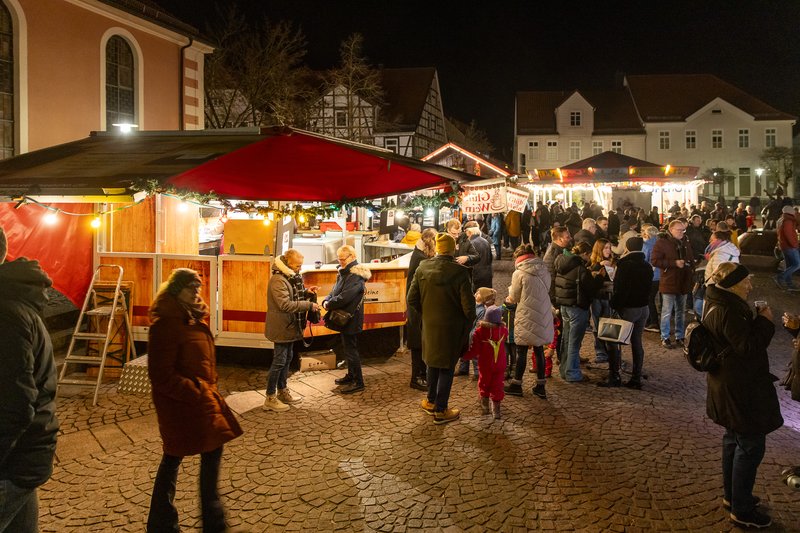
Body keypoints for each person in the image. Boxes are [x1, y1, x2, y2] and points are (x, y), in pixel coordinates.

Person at [147, 268, 243, 532]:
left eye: (198, 288)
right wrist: (197, 391)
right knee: (175, 458)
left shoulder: (191, 317)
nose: (197, 292)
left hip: (200, 403)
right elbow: (161, 375)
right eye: (192, 288)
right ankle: (197, 523)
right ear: (177, 290)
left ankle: (171, 522)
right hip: (183, 405)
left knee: (202, 454)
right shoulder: (166, 324)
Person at [703, 263, 783, 529]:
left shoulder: (714, 302)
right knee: (750, 445)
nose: (750, 285)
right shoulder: (729, 311)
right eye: (746, 281)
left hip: (725, 384)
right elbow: (747, 347)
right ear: (734, 285)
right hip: (740, 388)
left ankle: (733, 496)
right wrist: (764, 321)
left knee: (732, 440)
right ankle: (742, 509)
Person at [0, 227, 59, 533]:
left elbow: (15, 403)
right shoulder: (16, 303)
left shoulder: (6, 314)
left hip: (12, 464)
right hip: (25, 457)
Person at [407, 233, 475, 425]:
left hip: (429, 326)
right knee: (446, 367)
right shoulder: (460, 272)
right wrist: (467, 325)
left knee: (432, 363)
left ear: (437, 248)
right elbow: (469, 308)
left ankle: (430, 401)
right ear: (453, 249)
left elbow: (411, 299)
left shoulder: (422, 267)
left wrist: (427, 313)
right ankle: (441, 409)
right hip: (451, 328)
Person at [264, 249, 320, 411]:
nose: (299, 269)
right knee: (279, 361)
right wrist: (309, 305)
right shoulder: (277, 280)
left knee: (287, 358)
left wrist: (306, 292)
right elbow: (285, 304)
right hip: (281, 326)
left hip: (288, 325)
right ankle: (270, 397)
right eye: (297, 266)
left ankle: (282, 391)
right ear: (287, 264)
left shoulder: (289, 277)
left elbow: (292, 296)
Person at [600, 237, 653, 389]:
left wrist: (614, 304)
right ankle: (636, 377)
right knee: (637, 342)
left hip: (629, 308)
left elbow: (620, 290)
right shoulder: (646, 265)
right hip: (643, 308)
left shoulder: (625, 265)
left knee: (612, 340)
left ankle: (614, 375)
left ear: (627, 248)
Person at [504, 244, 554, 399]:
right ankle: (540, 385)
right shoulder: (543, 270)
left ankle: (516, 384)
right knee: (539, 350)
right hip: (543, 312)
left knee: (521, 351)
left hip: (526, 314)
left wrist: (510, 292)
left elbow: (514, 296)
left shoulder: (519, 273)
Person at [323, 245, 371, 394]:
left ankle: (358, 381)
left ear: (352, 257)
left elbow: (345, 297)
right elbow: (334, 291)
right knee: (348, 348)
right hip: (346, 317)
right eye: (338, 259)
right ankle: (351, 376)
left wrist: (329, 303)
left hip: (351, 318)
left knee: (351, 350)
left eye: (342, 259)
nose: (340, 261)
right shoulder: (344, 273)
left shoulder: (355, 275)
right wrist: (327, 299)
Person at [554, 241, 604, 383]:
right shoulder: (580, 268)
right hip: (577, 307)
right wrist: (599, 277)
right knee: (574, 342)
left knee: (566, 340)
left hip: (564, 305)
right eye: (589, 256)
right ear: (585, 254)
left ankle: (565, 370)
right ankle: (573, 373)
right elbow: (591, 288)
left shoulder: (562, 262)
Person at [651, 220, 695, 349]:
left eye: (683, 230)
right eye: (679, 230)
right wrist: (674, 263)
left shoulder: (685, 241)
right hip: (669, 281)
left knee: (681, 311)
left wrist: (691, 266)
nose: (682, 232)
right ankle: (665, 337)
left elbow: (690, 257)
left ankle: (679, 336)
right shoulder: (662, 243)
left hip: (683, 282)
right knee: (666, 311)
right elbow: (655, 260)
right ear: (671, 230)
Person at [463, 305, 507, 419]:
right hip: (500, 364)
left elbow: (474, 350)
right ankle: (496, 409)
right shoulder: (503, 330)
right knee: (498, 384)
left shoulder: (480, 332)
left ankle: (485, 405)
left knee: (484, 383)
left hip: (485, 364)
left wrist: (464, 356)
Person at [406, 228, 437, 391]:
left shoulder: (420, 255)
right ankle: (416, 377)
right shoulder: (420, 258)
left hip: (419, 307)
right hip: (417, 309)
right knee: (418, 344)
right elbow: (415, 288)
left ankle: (422, 375)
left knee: (423, 342)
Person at [455, 287, 496, 378]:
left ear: (484, 298)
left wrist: (473, 334)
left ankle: (478, 372)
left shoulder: (482, 310)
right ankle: (463, 369)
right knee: (464, 351)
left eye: (479, 293)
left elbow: (479, 324)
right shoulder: (472, 306)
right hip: (466, 332)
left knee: (475, 354)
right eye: (476, 292)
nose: (476, 294)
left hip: (473, 334)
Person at [588, 238, 616, 364]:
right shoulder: (593, 263)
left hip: (609, 297)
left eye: (609, 248)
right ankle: (600, 351)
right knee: (597, 325)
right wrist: (600, 267)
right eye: (605, 248)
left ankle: (611, 351)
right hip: (597, 298)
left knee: (608, 325)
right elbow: (592, 283)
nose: (608, 250)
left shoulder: (614, 262)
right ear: (599, 249)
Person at [642, 225, 661, 332]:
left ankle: (653, 322)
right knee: (653, 298)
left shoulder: (647, 245)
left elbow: (644, 260)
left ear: (647, 234)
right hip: (660, 275)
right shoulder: (660, 244)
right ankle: (651, 321)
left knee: (649, 299)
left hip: (651, 276)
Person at [776, 204, 799, 291]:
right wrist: (795, 245)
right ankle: (780, 277)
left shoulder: (782, 220)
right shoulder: (788, 221)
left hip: (784, 246)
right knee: (797, 264)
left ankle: (789, 284)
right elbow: (789, 235)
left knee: (789, 265)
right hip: (790, 247)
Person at [464, 221, 493, 290]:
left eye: (465, 231)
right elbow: (490, 258)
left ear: (469, 231)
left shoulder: (471, 243)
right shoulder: (485, 241)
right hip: (487, 274)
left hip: (476, 276)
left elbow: (469, 262)